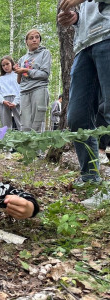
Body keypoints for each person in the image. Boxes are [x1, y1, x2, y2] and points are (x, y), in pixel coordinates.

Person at [58, 0, 110, 183]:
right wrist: (76, 18)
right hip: (83, 46)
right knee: (78, 118)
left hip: (107, 35)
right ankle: (89, 178)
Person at [14, 29, 52, 132]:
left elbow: (45, 74)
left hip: (39, 88)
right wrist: (18, 72)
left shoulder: (45, 53)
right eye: (31, 38)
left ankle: (38, 148)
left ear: (40, 40)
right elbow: (19, 81)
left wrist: (26, 70)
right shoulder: (22, 59)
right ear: (26, 41)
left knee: (37, 123)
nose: (34, 40)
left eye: (37, 37)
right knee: (25, 124)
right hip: (24, 91)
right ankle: (26, 147)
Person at [0, 56, 21, 130]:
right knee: (5, 124)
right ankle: (4, 139)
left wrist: (16, 101)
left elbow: (21, 89)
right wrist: (3, 101)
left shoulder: (18, 75)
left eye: (7, 64)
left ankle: (24, 137)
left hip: (17, 100)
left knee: (20, 121)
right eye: (3, 65)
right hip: (4, 101)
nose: (5, 67)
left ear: (11, 63)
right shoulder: (0, 79)